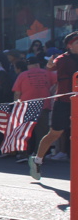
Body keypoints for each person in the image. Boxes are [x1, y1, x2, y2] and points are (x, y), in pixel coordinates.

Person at [30, 32, 78, 180]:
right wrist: (50, 65)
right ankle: (37, 160)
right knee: (55, 133)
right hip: (63, 102)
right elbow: (51, 66)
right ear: (69, 46)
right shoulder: (63, 59)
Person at [13, 55, 56, 164]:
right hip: (43, 106)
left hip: (26, 107)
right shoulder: (47, 73)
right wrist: (51, 93)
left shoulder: (23, 75)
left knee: (24, 132)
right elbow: (57, 82)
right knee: (42, 133)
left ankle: (23, 154)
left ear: (28, 65)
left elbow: (17, 93)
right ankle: (38, 155)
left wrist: (16, 106)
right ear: (38, 64)